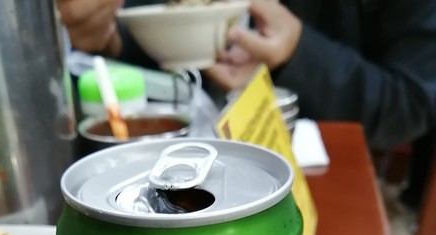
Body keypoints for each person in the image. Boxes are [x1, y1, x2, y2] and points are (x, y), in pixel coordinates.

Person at [57, 0, 436, 150]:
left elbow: (412, 104)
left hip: (327, 168)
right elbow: (137, 21)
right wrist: (109, 40)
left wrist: (297, 51)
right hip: (169, 147)